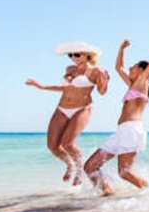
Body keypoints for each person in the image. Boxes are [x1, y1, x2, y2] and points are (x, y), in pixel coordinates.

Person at [83, 28, 149, 196]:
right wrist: (121, 49)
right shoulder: (132, 85)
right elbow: (118, 67)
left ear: (142, 71)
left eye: (134, 67)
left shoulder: (142, 82)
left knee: (124, 172)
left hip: (131, 130)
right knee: (90, 166)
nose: (130, 67)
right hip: (121, 132)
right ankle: (107, 193)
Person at [25, 41, 110, 184]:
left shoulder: (95, 71)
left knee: (68, 143)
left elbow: (102, 92)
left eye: (77, 55)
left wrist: (104, 81)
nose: (73, 58)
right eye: (70, 55)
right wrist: (42, 87)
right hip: (62, 108)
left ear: (87, 55)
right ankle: (70, 164)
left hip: (82, 108)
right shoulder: (70, 68)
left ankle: (80, 169)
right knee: (52, 146)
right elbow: (65, 88)